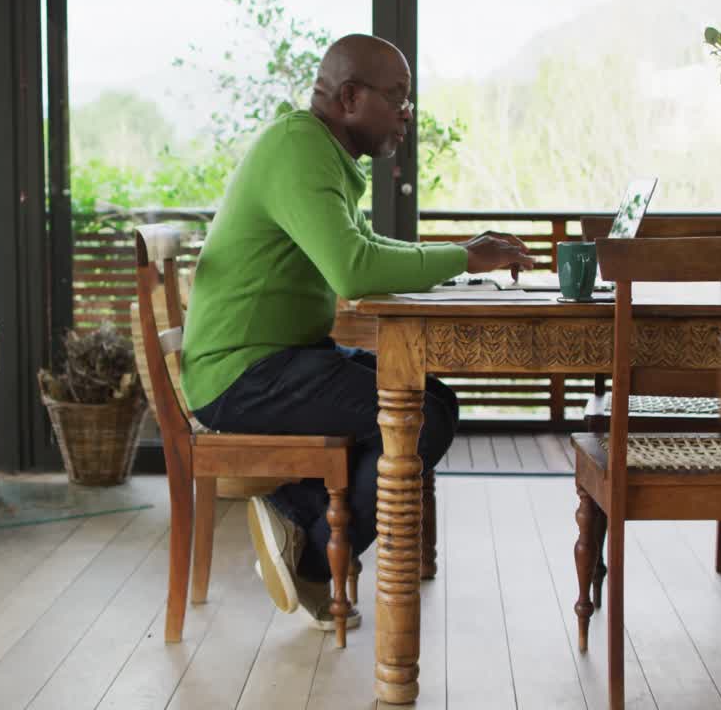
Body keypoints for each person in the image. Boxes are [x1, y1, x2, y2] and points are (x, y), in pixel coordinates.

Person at [181, 34, 534, 630]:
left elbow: (364, 248)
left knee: (437, 399)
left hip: (280, 361)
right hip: (243, 375)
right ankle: (314, 551)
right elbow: (353, 271)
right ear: (349, 97)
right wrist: (463, 259)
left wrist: (458, 256)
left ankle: (301, 521)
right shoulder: (299, 149)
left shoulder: (316, 152)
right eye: (397, 97)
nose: (406, 114)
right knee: (422, 417)